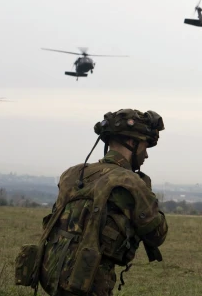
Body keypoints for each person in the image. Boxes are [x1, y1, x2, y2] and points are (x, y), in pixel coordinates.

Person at [21, 109, 168, 296]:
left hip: (53, 275)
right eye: (144, 147)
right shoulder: (131, 183)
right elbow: (157, 235)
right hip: (90, 283)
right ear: (132, 142)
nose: (146, 155)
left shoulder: (72, 174)